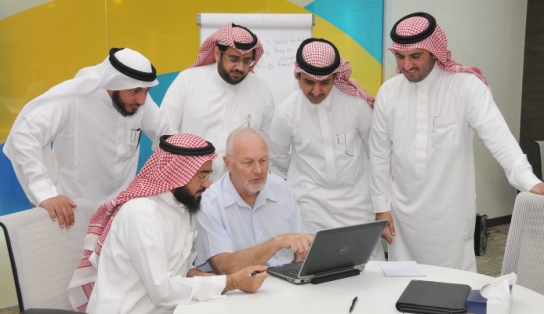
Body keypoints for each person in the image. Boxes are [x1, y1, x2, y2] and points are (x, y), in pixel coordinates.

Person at [370, 12, 544, 271]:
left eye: (415, 56)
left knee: (452, 293)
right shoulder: (388, 93)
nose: (406, 65)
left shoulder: (466, 86)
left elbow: (499, 138)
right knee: (403, 290)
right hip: (403, 219)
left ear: (434, 51)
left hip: (450, 218)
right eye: (400, 56)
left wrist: (530, 182)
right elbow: (378, 155)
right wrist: (381, 208)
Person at [67, 133, 267, 314]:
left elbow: (184, 273)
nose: (207, 184)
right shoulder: (141, 215)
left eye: (208, 175)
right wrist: (230, 282)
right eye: (202, 176)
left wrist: (235, 282)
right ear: (177, 173)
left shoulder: (179, 207)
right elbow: (163, 292)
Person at [3, 48, 174, 228]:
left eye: (146, 91)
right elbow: (23, 135)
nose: (141, 99)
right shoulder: (74, 100)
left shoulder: (139, 103)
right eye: (135, 91)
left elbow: (168, 137)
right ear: (114, 82)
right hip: (74, 220)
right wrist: (44, 193)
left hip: (120, 218)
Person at [267, 38, 384, 260]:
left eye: (325, 83)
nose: (317, 90)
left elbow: (374, 150)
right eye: (309, 82)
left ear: (335, 78)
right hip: (311, 210)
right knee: (316, 274)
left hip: (358, 207)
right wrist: (308, 176)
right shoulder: (286, 112)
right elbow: (279, 157)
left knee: (368, 273)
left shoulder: (356, 104)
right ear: (297, 76)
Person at [160, 23, 274, 182]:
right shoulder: (188, 80)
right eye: (233, 58)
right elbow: (165, 131)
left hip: (238, 188)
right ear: (217, 53)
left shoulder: (261, 88)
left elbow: (265, 139)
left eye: (247, 61)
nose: (240, 67)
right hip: (191, 182)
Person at [193, 127, 313, 275]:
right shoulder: (210, 202)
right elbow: (224, 267)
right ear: (228, 163)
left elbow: (300, 250)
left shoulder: (282, 189)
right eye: (248, 162)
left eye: (263, 161)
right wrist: (276, 243)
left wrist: (303, 254)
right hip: (238, 292)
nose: (258, 170)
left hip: (287, 282)